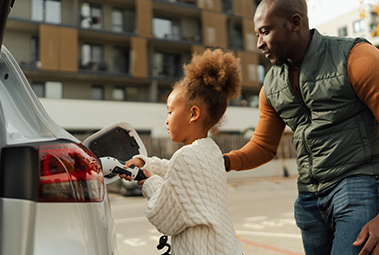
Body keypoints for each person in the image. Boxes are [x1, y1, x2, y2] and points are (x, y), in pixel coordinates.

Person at [223, 0, 379, 254]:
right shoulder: (271, 85)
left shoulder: (356, 57)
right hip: (309, 201)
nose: (259, 43)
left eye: (265, 31)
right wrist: (223, 161)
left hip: (357, 188)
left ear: (295, 23)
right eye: (257, 34)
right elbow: (263, 146)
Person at [120, 49, 243, 254]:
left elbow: (162, 216)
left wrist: (150, 182)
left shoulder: (186, 157)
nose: (166, 120)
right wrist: (146, 164)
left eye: (170, 111)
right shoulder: (210, 152)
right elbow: (175, 169)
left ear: (193, 113)